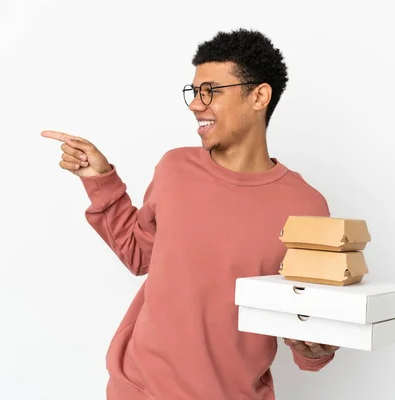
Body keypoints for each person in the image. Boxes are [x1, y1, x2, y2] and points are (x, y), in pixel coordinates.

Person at [42, 28, 338, 400]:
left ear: (259, 96)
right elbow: (138, 255)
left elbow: (311, 335)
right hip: (140, 389)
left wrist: (317, 348)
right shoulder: (175, 169)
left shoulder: (306, 207)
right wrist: (99, 179)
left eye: (211, 91)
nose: (196, 104)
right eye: (194, 92)